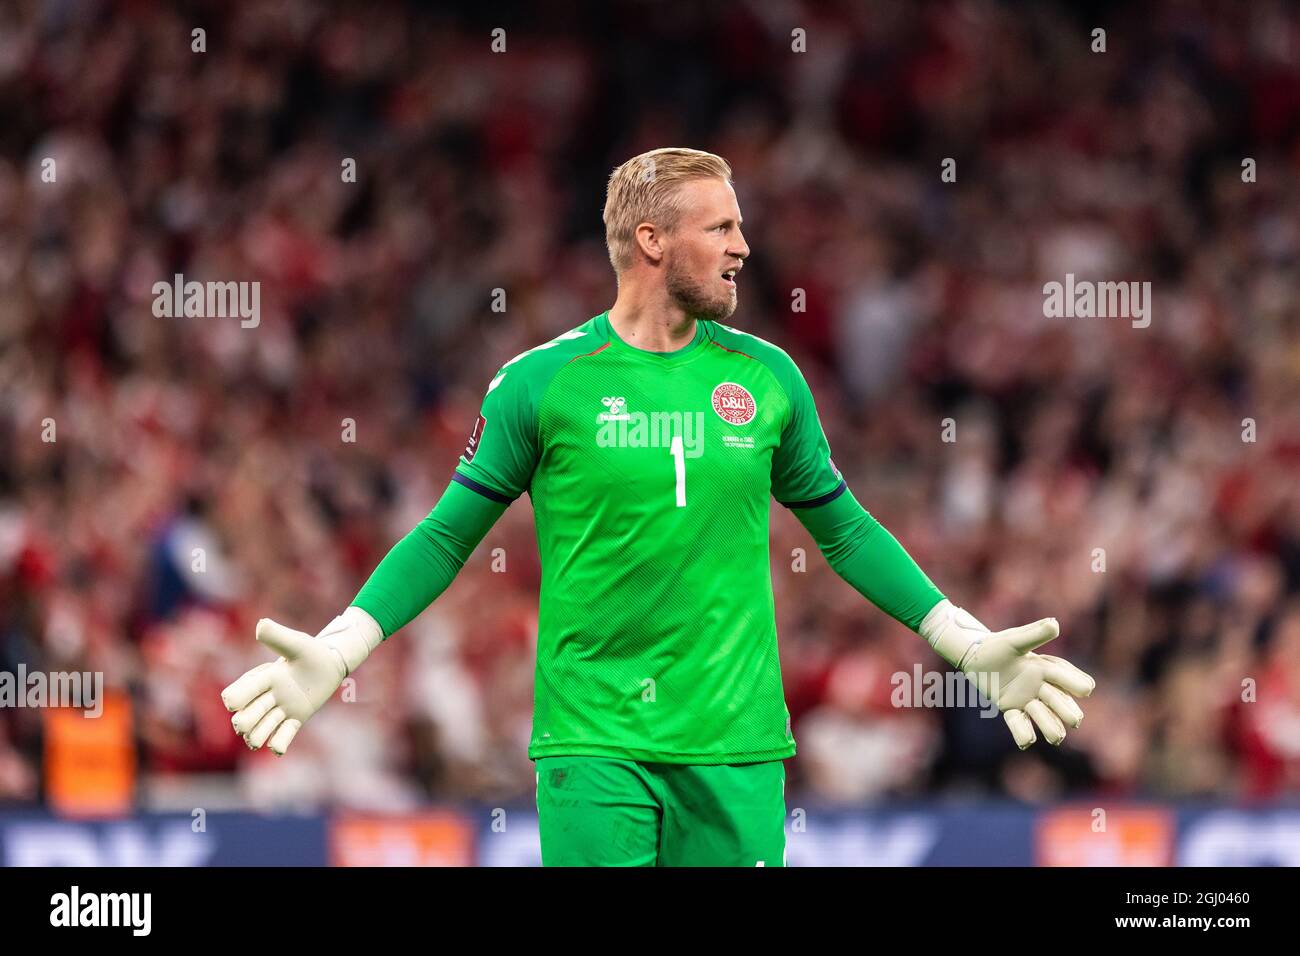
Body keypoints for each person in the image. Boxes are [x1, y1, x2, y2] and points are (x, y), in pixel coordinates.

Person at [220, 147, 1095, 866]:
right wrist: (341, 647)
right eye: (721, 228)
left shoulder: (769, 378)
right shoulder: (541, 385)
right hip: (594, 742)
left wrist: (965, 641)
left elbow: (846, 529)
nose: (743, 247)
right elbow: (449, 537)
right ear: (651, 240)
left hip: (738, 748)